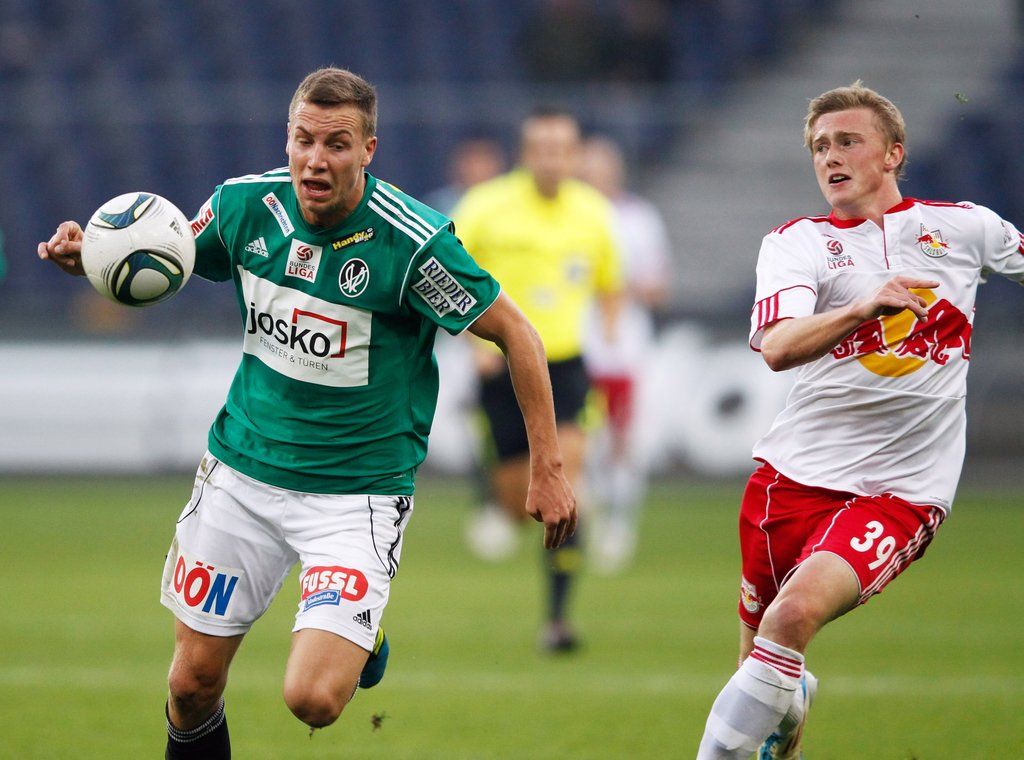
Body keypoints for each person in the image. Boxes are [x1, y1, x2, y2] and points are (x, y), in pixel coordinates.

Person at [37, 67, 577, 759]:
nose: (316, 160)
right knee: (191, 684)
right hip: (242, 473)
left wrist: (547, 468)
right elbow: (168, 254)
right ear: (287, 139)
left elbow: (518, 334)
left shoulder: (412, 244)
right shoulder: (244, 206)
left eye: (337, 144)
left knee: (312, 700)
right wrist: (95, 256)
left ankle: (364, 633)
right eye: (304, 140)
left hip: (355, 495)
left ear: (368, 151)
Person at [696, 81, 1024, 759]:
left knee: (791, 618)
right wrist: (859, 308)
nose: (830, 156)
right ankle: (790, 701)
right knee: (763, 666)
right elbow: (778, 348)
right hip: (791, 478)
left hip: (902, 491)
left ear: (893, 153)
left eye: (848, 141)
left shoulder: (966, 228)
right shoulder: (798, 243)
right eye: (820, 146)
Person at [453, 107, 622, 651]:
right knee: (515, 504)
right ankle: (498, 500)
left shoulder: (594, 213)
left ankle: (557, 620)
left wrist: (610, 332)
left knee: (564, 483)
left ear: (574, 156)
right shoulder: (484, 207)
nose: (552, 159)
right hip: (500, 366)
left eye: (561, 149)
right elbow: (443, 276)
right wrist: (474, 343)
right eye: (542, 149)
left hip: (564, 367)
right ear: (525, 155)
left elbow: (609, 283)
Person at [577, 135, 672, 572]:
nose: (594, 178)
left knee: (623, 438)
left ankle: (620, 520)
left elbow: (657, 287)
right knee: (584, 438)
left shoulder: (640, 219)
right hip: (579, 340)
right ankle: (589, 516)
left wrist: (615, 284)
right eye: (587, 170)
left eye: (601, 169)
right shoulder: (573, 215)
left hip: (625, 346)